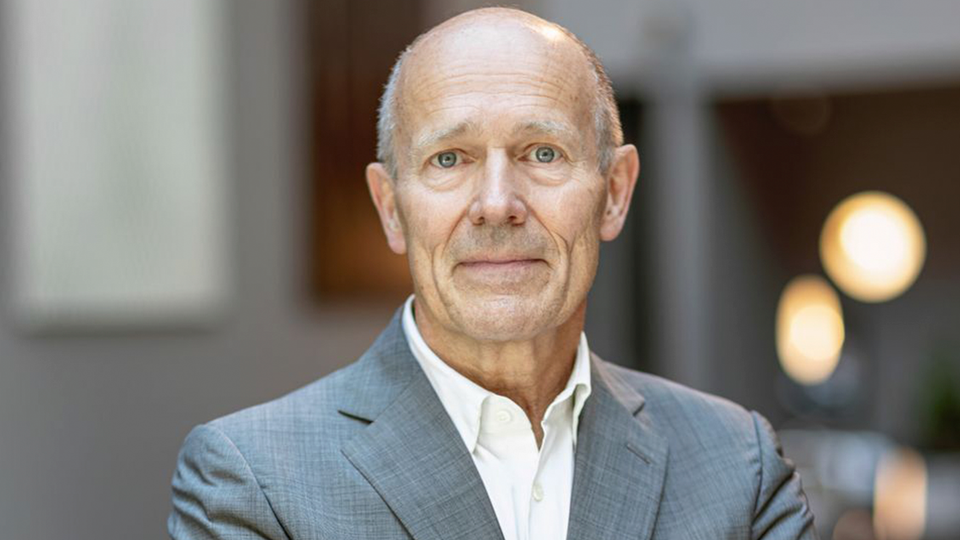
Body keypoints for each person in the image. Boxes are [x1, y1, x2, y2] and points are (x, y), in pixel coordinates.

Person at [168, 7, 818, 540]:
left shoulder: (737, 467)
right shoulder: (255, 481)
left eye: (543, 153)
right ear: (391, 209)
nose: (497, 204)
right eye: (450, 159)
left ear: (615, 193)